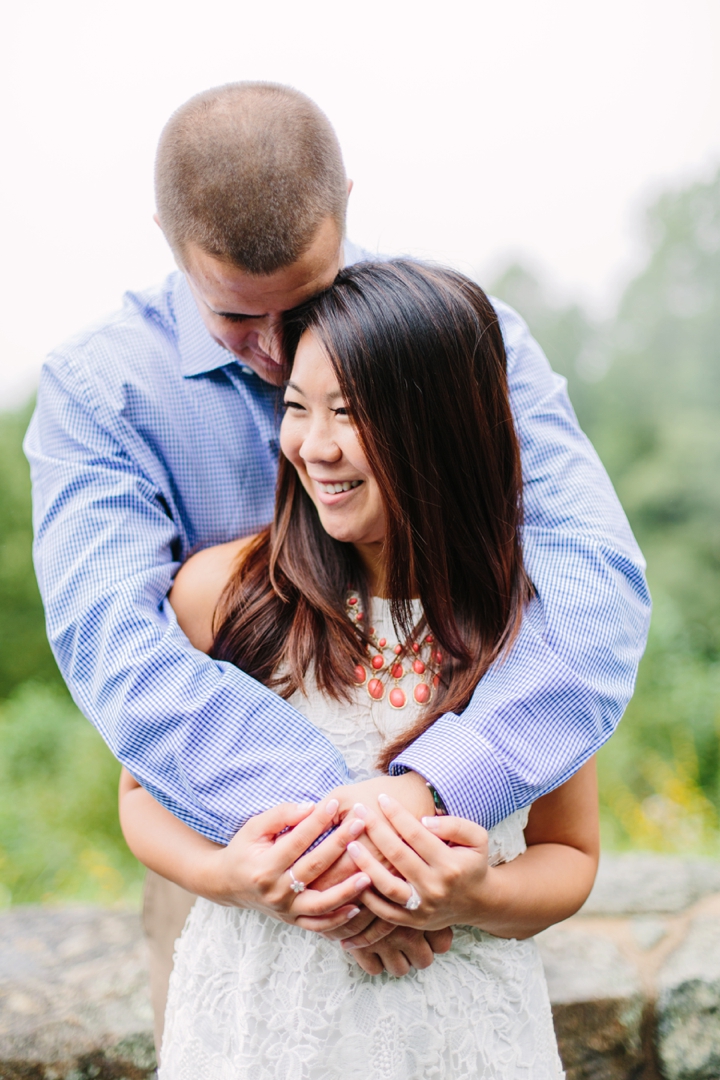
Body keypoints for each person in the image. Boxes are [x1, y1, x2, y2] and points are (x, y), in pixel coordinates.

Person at [24, 81, 650, 1042]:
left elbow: (591, 591)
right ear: (167, 237)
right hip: (234, 867)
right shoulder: (100, 389)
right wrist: (347, 846)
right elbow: (119, 656)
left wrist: (431, 796)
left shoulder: (453, 343)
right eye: (239, 319)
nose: (278, 356)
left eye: (306, 307)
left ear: (348, 202)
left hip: (451, 891)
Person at [119, 259, 600, 1078]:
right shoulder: (223, 595)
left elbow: (572, 855)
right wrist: (230, 876)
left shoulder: (528, 629)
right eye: (298, 407)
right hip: (258, 1031)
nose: (314, 445)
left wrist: (474, 898)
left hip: (462, 1039)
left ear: (442, 427)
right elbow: (139, 796)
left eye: (349, 412)